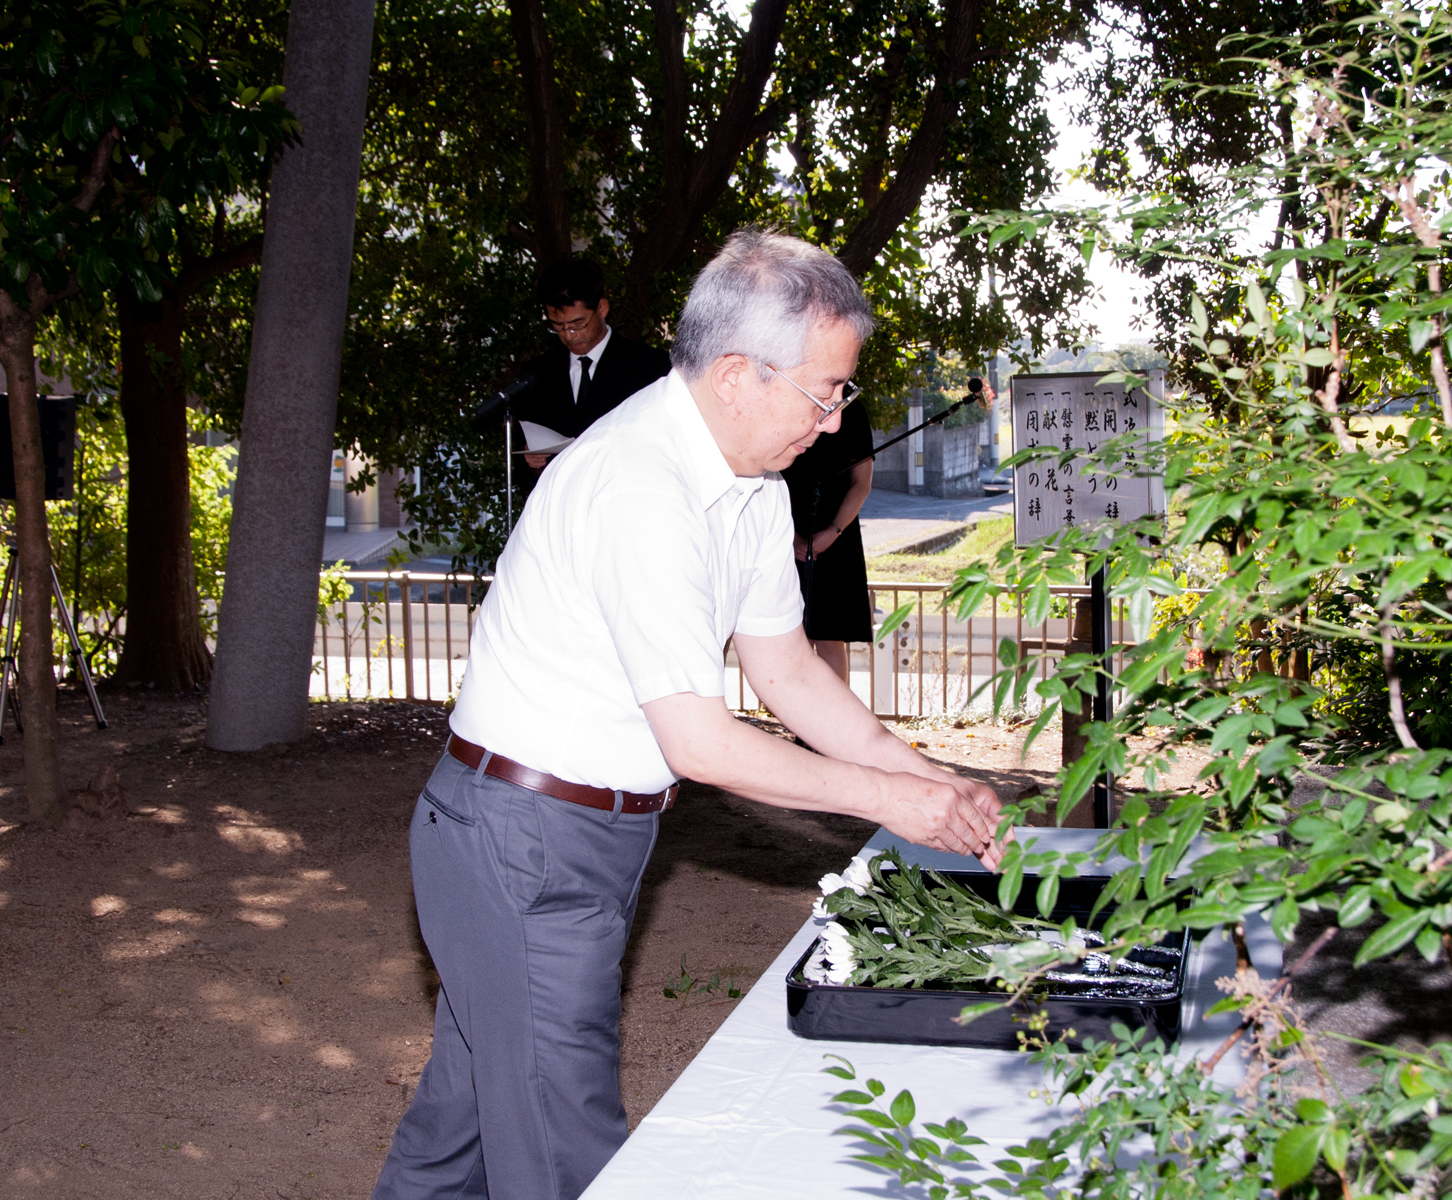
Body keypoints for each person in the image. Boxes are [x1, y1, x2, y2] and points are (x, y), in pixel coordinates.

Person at [371, 230, 1006, 1200]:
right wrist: (888, 802)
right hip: (519, 845)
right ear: (739, 375)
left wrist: (930, 785)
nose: (835, 423)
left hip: (581, 839)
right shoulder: (639, 482)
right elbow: (700, 741)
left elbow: (790, 675)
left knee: (457, 1130)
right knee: (563, 1159)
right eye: (825, 392)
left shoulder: (748, 488)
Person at [514, 256, 670, 469]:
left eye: (578, 323)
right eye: (558, 326)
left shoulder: (650, 367)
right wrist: (528, 459)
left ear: (602, 308)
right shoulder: (538, 373)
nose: (569, 336)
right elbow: (520, 455)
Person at [781, 398, 875, 683]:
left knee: (829, 637)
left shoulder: (853, 410)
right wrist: (790, 536)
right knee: (788, 635)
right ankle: (798, 720)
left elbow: (862, 484)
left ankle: (832, 724)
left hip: (836, 537)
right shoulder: (786, 399)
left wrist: (832, 532)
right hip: (783, 531)